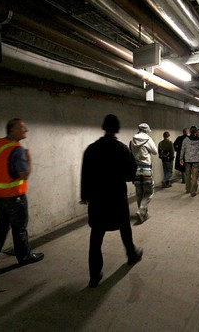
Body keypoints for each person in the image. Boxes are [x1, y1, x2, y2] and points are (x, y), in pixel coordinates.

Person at [0, 118, 44, 282]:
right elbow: (24, 174)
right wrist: (29, 160)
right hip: (15, 197)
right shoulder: (17, 149)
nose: (25, 130)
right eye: (22, 127)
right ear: (12, 129)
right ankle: (25, 256)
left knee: (1, 228)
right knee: (20, 228)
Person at [81, 114, 143, 288]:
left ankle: (94, 274)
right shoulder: (122, 149)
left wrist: (85, 196)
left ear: (103, 128)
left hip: (97, 199)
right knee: (124, 228)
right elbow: (131, 173)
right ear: (116, 129)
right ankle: (131, 255)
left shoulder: (91, 149)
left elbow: (85, 175)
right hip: (116, 197)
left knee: (96, 237)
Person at [130, 123, 158, 223]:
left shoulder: (133, 139)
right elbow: (155, 151)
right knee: (149, 191)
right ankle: (141, 210)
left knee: (139, 192)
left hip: (136, 169)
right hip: (146, 168)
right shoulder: (147, 139)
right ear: (147, 131)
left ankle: (143, 214)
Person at [180, 126, 199, 197]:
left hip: (187, 160)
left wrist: (181, 158)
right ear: (196, 132)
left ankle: (188, 189)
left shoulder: (185, 139)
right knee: (195, 176)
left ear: (190, 131)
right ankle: (193, 191)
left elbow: (182, 149)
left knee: (187, 175)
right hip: (196, 160)